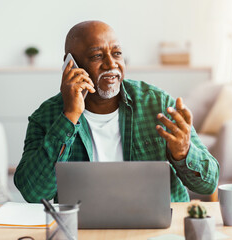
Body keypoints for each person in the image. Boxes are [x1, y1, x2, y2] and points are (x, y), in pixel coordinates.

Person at [14, 21, 220, 203]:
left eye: (117, 53)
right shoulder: (46, 117)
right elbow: (33, 193)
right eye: (97, 55)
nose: (111, 64)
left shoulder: (158, 104)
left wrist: (183, 152)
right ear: (71, 64)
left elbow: (208, 185)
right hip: (83, 231)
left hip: (157, 231)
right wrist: (69, 117)